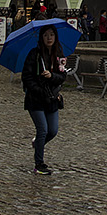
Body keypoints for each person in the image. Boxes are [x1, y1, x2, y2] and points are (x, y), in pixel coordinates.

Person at [22, 26, 68, 175]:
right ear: (41, 38)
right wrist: (39, 87)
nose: (49, 38)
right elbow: (27, 78)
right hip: (35, 99)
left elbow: (62, 77)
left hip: (52, 99)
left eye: (52, 35)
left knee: (52, 131)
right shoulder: (34, 55)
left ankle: (38, 144)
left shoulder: (58, 55)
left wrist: (52, 76)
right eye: (46, 35)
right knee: (42, 130)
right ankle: (39, 164)